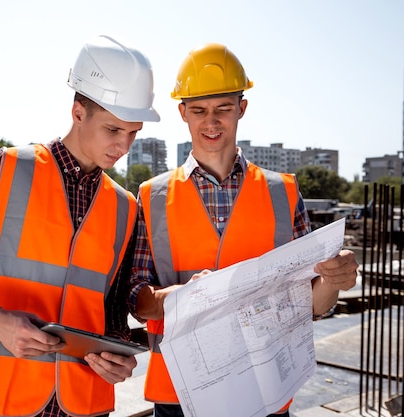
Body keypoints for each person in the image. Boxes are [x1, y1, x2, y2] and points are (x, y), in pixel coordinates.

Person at [0, 34, 160, 417]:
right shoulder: (7, 169)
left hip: (84, 403)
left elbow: (111, 307)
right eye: (113, 130)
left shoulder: (124, 207)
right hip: (2, 399)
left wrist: (119, 354)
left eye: (133, 133)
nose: (123, 146)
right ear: (78, 112)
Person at [128, 43, 359, 417]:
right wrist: (188, 297)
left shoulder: (283, 192)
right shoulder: (152, 196)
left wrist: (333, 279)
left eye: (223, 108)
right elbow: (136, 300)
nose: (211, 121)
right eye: (199, 110)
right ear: (182, 112)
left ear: (242, 108)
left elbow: (313, 305)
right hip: (179, 395)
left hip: (264, 392)